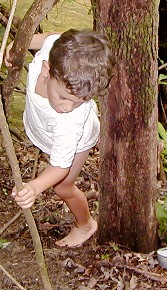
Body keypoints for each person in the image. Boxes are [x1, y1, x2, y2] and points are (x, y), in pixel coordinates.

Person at [8, 29, 115, 247]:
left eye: (78, 102)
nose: (67, 107)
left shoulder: (70, 121)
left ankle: (85, 224)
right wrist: (15, 46)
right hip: (47, 131)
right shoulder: (50, 55)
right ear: (47, 69)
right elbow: (52, 38)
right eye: (64, 98)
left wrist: (34, 187)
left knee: (62, 186)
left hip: (77, 142)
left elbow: (59, 168)